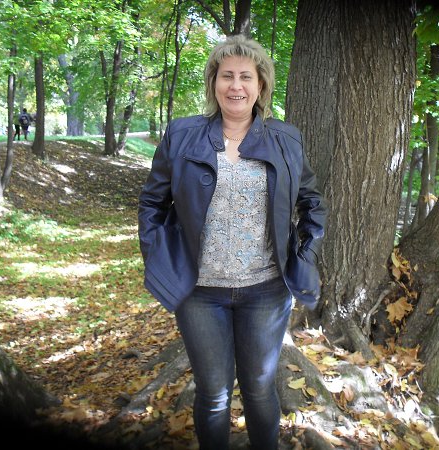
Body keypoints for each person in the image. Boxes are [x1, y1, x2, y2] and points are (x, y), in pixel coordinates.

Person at [138, 35, 326, 450]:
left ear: (261, 85)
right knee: (213, 393)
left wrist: (306, 255)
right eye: (227, 76)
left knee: (259, 389)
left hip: (266, 291)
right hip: (199, 292)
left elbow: (312, 203)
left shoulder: (285, 139)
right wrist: (158, 256)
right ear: (214, 83)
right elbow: (152, 202)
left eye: (245, 76)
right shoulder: (182, 135)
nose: (235, 86)